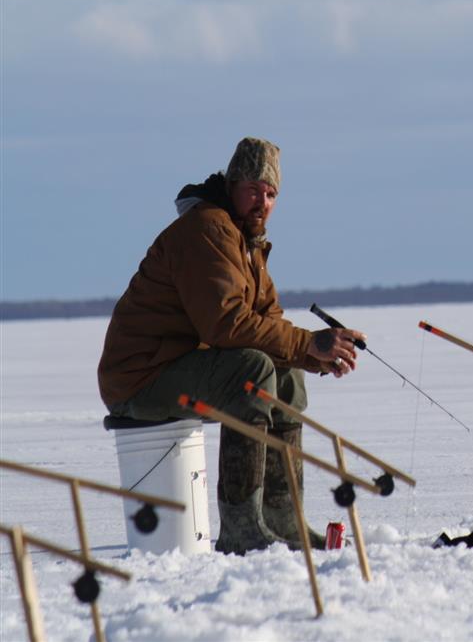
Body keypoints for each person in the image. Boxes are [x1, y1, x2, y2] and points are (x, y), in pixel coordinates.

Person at [97, 137, 366, 555]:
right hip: (139, 377)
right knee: (252, 372)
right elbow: (226, 325)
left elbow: (269, 324)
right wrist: (309, 341)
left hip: (177, 365)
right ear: (233, 183)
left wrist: (316, 355)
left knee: (286, 375)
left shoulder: (246, 241)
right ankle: (242, 527)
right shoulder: (207, 229)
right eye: (254, 189)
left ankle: (282, 517)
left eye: (272, 193)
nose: (263, 200)